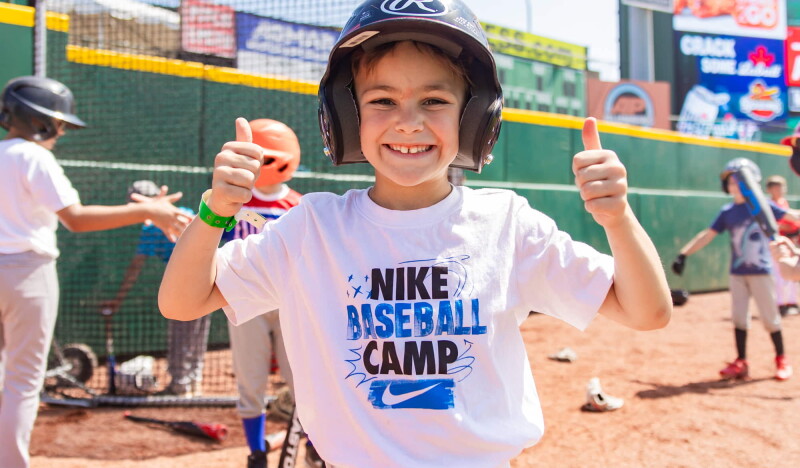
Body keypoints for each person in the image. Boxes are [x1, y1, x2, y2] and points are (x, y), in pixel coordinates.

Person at [159, 1, 671, 466]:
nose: (408, 122)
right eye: (382, 100)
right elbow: (182, 301)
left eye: (434, 101)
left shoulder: (507, 225)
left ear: (475, 119)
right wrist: (216, 211)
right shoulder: (311, 228)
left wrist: (618, 219)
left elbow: (646, 311)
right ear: (346, 114)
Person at [0, 76, 191, 468]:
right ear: (43, 121)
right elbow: (76, 219)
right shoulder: (34, 157)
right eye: (59, 124)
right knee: (22, 380)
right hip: (26, 274)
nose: (60, 132)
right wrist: (148, 210)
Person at [217, 119, 317, 468]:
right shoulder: (232, 200)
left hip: (291, 301)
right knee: (251, 381)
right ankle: (256, 453)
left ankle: (314, 446)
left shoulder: (301, 204)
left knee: (304, 379)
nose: (271, 165)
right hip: (245, 301)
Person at [672, 158, 794, 382]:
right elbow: (707, 235)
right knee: (739, 318)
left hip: (762, 271)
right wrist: (684, 253)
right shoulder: (728, 211)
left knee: (770, 318)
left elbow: (792, 217)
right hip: (737, 273)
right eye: (730, 181)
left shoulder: (763, 207)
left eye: (738, 180)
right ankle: (741, 362)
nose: (734, 184)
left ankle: (781, 359)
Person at [101, 180, 208, 397]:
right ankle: (193, 382)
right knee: (196, 333)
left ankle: (180, 384)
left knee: (181, 333)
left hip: (187, 281)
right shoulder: (183, 211)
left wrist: (118, 299)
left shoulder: (152, 226)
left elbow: (135, 267)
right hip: (209, 276)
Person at [765, 175, 800, 316]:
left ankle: (792, 302)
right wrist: (785, 226)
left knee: (794, 274)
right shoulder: (768, 204)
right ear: (770, 189)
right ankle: (779, 304)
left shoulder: (784, 203)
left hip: (790, 243)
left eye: (782, 187)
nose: (780, 190)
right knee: (778, 275)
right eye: (776, 187)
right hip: (777, 244)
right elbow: (771, 225)